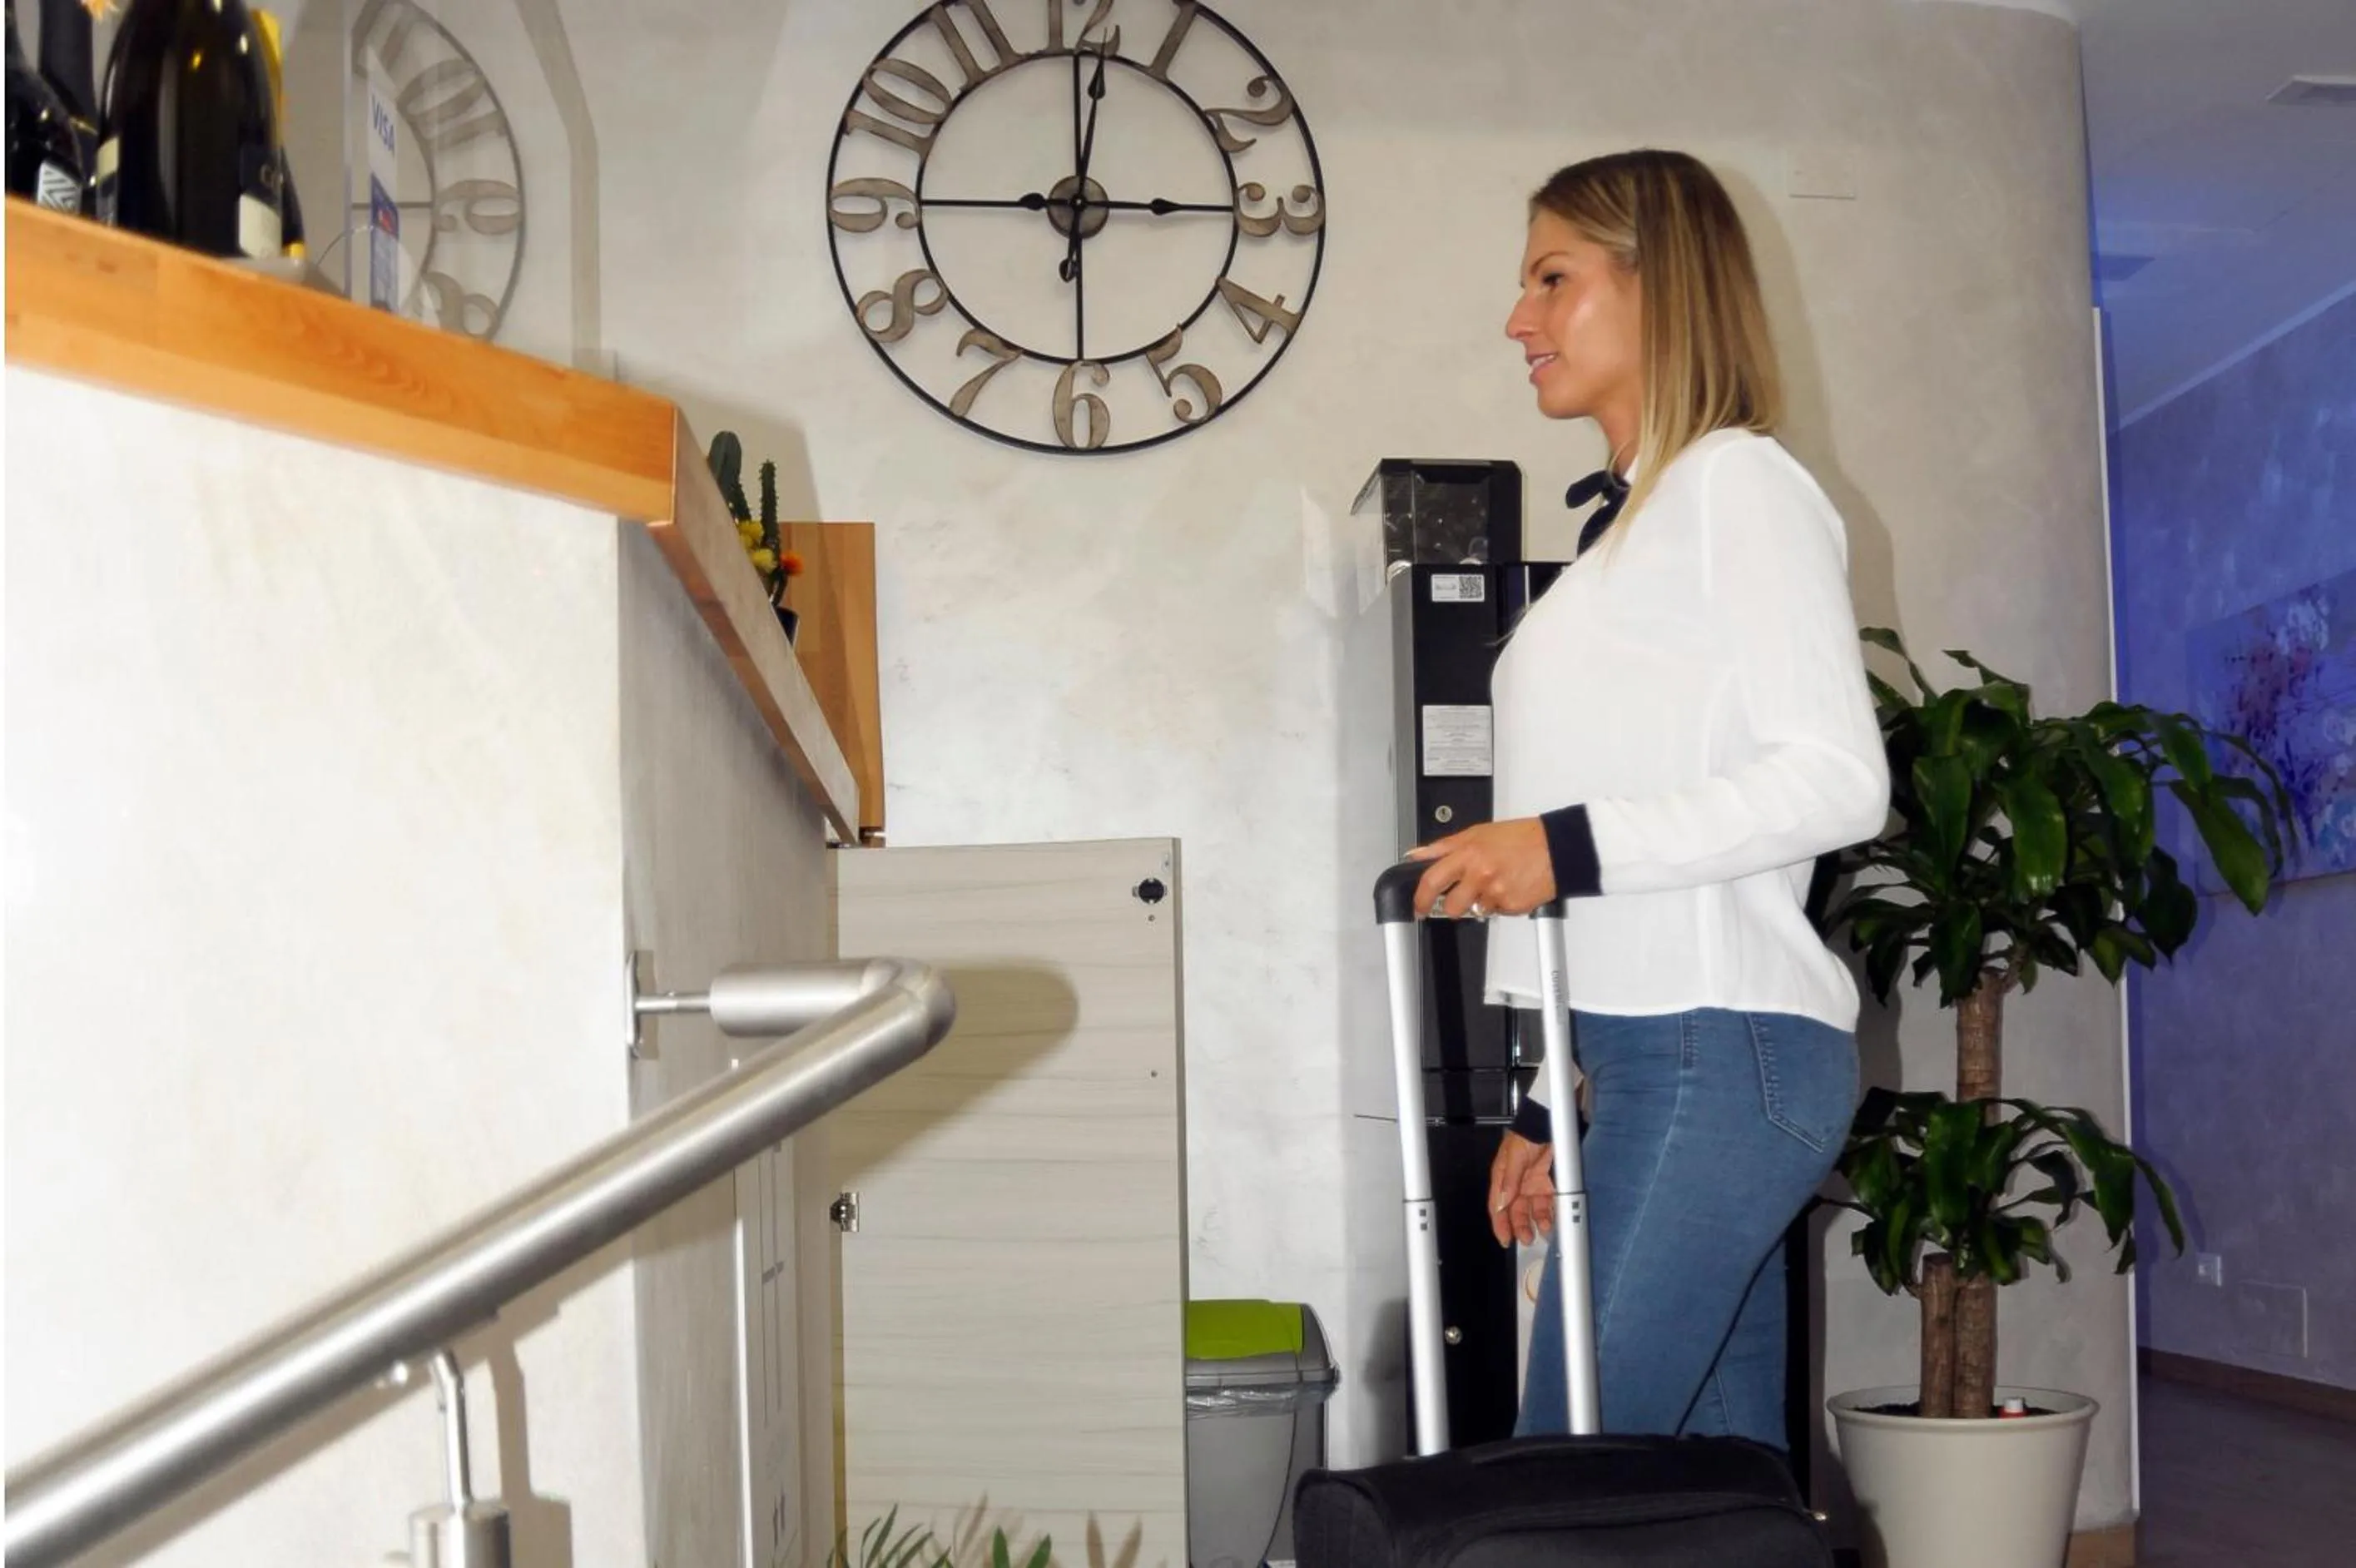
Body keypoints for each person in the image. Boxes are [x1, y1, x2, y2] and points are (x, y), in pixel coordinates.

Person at [1407, 150, 1891, 1446]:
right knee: (1699, 1506)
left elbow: (1837, 779)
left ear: (1659, 285)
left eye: (1551, 279)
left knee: (1569, 1476)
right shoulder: (1636, 529)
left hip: (1713, 1059)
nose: (1519, 320)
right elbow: (1640, 817)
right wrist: (1544, 1094)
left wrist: (1556, 849)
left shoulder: (1740, 487)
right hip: (1650, 1061)